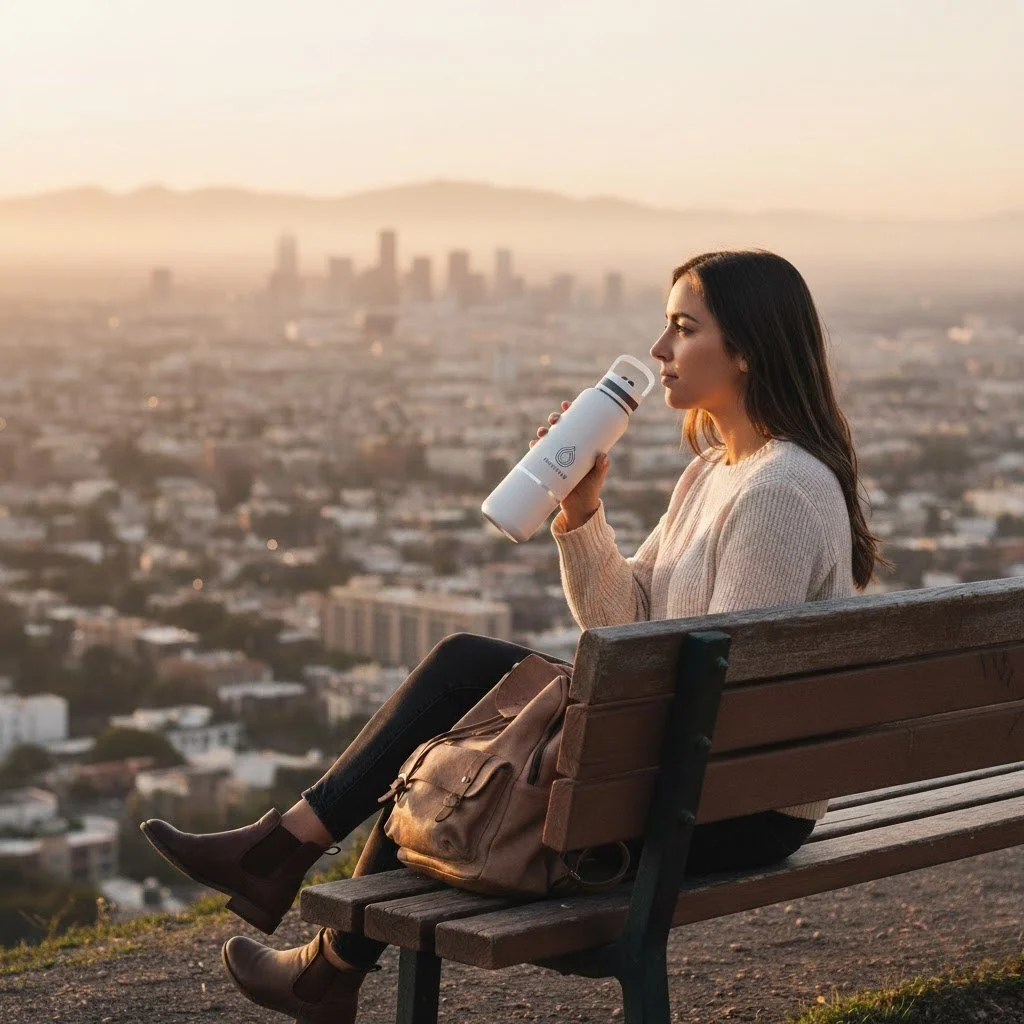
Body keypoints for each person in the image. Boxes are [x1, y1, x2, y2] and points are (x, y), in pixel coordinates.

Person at [140, 249, 891, 1023]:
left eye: (682, 328)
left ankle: (295, 893)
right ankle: (297, 896)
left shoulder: (776, 493)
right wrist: (580, 509)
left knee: (479, 722)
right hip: (691, 777)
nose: (659, 351)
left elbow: (728, 701)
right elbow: (627, 622)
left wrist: (581, 708)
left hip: (735, 808)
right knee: (477, 690)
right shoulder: (715, 473)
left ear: (748, 350)